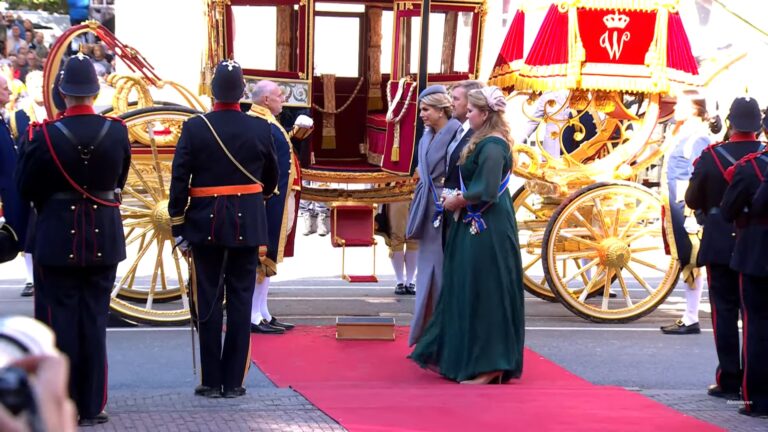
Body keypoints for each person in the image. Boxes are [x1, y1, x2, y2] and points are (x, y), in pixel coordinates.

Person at [15, 53, 131, 426]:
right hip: (103, 237)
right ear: (95, 94)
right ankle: (93, 404)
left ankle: (61, 400)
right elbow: (119, 181)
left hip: (55, 237)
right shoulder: (116, 131)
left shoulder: (43, 134)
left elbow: (25, 187)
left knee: (58, 324)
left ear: (63, 94)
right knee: (94, 321)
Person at [168, 60, 278, 398]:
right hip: (247, 222)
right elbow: (271, 180)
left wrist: (177, 222)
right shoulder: (260, 128)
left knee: (210, 301)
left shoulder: (195, 127)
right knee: (242, 301)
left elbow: (179, 178)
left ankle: (210, 381)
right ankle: (234, 383)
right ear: (243, 93)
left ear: (212, 92)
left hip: (205, 224)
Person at [410, 86, 524, 384]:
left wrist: (457, 200)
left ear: (485, 114)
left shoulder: (493, 146)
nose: (467, 114)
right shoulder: (480, 140)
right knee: (467, 290)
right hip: (473, 225)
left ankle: (491, 365)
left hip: (486, 228)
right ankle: (469, 358)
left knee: (486, 294)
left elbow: (486, 190)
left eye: (471, 110)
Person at [685, 96, 765, 399]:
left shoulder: (711, 156)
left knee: (724, 312)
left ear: (730, 122)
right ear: (758, 125)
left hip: (720, 240)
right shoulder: (764, 157)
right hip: (757, 246)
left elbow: (693, 199)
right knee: (755, 317)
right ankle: (753, 383)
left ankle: (730, 378)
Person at [405, 85, 461, 346]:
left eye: (426, 110)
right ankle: (427, 334)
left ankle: (436, 335)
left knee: (438, 269)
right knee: (428, 268)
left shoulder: (456, 134)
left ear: (441, 110)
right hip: (429, 202)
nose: (422, 115)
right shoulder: (427, 135)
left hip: (445, 204)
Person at [247, 80, 301, 334]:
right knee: (261, 256)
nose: (283, 99)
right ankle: (252, 315)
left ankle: (262, 311)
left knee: (268, 258)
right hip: (267, 199)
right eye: (279, 95)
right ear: (266, 99)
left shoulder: (267, 120)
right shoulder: (259, 123)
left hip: (277, 196)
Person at [721, 140, 768, 419]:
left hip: (757, 258)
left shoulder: (750, 168)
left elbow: (728, 211)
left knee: (757, 329)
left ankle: (758, 401)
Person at [660, 95, 714, 335]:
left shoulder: (697, 137)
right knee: (687, 259)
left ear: (694, 109)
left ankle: (691, 317)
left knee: (692, 260)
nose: (675, 108)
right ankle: (690, 315)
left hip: (687, 206)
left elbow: (699, 176)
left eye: (681, 104)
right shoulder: (683, 133)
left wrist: (694, 213)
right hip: (678, 203)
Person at [10, 70, 47, 298]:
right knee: (29, 231)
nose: (38, 91)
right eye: (34, 87)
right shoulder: (19, 117)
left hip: (53, 175)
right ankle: (30, 278)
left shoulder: (57, 110)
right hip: (30, 177)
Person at [379, 201, 418, 295]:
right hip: (398, 193)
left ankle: (410, 281)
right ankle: (400, 280)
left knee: (414, 239)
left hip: (418, 192)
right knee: (397, 238)